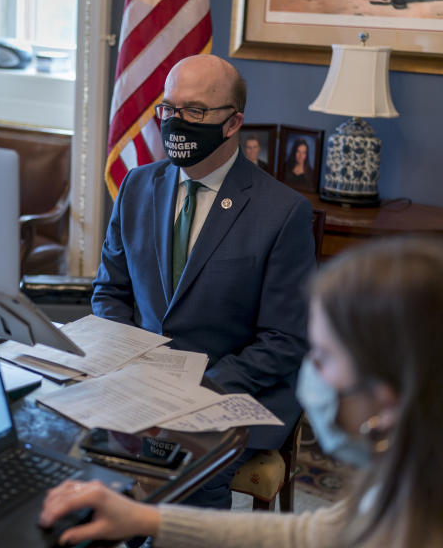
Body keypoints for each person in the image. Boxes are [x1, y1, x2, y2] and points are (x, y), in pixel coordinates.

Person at [42, 239, 443, 548]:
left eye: (322, 357)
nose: (309, 374)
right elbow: (317, 533)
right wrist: (149, 519)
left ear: (388, 400)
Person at [92, 54, 315, 508]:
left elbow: (286, 338)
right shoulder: (137, 186)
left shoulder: (283, 212)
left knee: (177, 469)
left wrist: (196, 390)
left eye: (194, 112)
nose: (176, 123)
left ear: (233, 124)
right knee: (64, 443)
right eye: (169, 110)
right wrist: (130, 362)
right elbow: (110, 292)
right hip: (141, 379)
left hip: (233, 386)